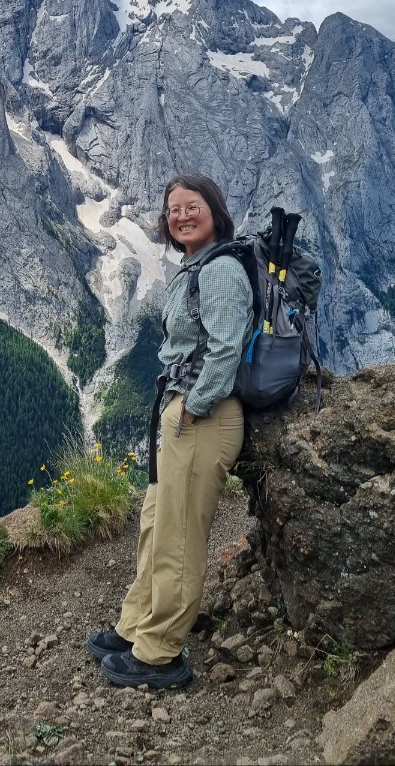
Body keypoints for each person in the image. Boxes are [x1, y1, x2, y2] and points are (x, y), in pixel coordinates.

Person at [87, 174, 253, 689]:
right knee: (156, 525)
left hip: (206, 417)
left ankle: (161, 654)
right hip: (184, 415)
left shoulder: (223, 267)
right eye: (173, 208)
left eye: (192, 205)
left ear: (215, 209)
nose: (181, 215)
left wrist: (195, 406)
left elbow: (227, 347)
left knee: (179, 537)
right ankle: (137, 624)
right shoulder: (193, 266)